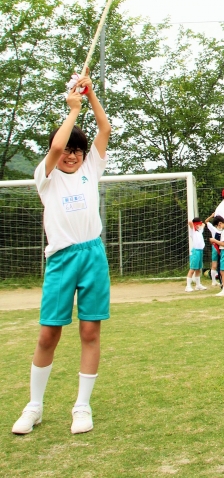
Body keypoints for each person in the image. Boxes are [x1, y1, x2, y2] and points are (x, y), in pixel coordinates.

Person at [12, 75, 111, 436]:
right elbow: (54, 148)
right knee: (47, 334)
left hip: (92, 256)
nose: (71, 155)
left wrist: (90, 93)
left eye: (77, 150)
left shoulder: (90, 170)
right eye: (68, 149)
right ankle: (34, 406)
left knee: (90, 331)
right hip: (61, 259)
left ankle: (82, 406)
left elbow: (105, 127)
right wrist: (72, 111)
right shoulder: (46, 175)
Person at [186, 218, 207, 292]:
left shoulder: (199, 231)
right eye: (199, 224)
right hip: (195, 251)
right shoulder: (193, 231)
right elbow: (190, 222)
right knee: (192, 269)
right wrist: (195, 225)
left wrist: (200, 225)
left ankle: (198, 285)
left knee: (198, 269)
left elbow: (203, 224)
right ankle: (188, 286)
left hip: (200, 251)